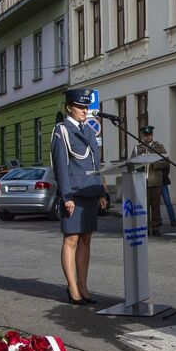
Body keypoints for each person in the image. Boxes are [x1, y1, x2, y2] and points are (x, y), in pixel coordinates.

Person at [51, 88, 108, 305]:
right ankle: (72, 288)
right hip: (73, 193)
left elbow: (96, 165)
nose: (85, 111)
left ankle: (83, 285)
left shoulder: (89, 132)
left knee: (86, 238)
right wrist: (66, 196)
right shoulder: (62, 131)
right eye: (81, 107)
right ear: (69, 108)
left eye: (87, 107)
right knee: (71, 239)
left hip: (90, 192)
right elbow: (60, 167)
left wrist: (101, 191)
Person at [130, 126, 169, 236]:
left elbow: (166, 163)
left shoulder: (159, 147)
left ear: (152, 135)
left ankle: (156, 227)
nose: (148, 137)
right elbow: (132, 163)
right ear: (142, 136)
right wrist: (140, 164)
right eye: (145, 135)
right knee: (144, 206)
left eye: (149, 135)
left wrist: (154, 164)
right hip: (142, 180)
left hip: (156, 180)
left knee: (155, 206)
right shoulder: (138, 148)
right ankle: (145, 227)